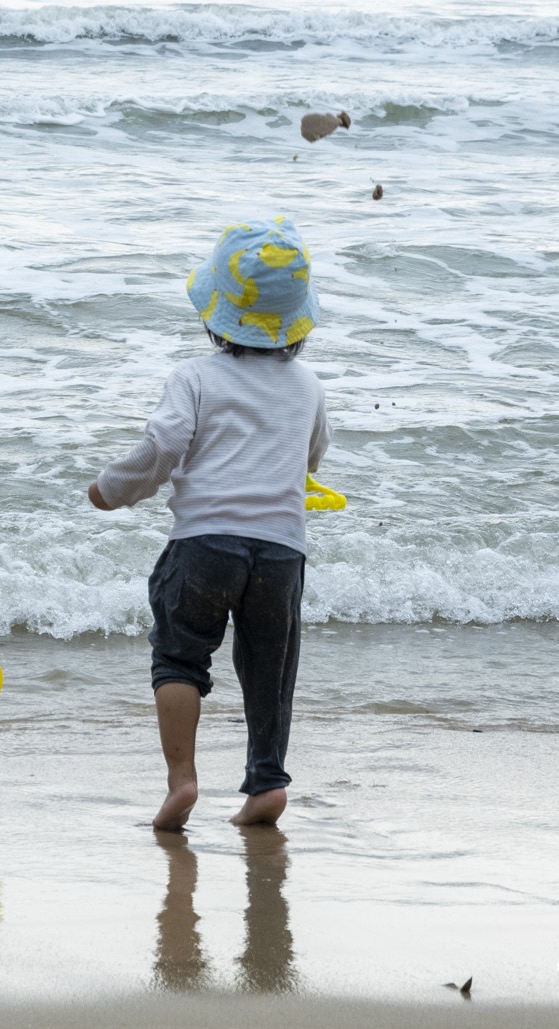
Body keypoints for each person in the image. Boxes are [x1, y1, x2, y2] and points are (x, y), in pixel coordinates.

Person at [87, 218, 331, 830]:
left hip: (203, 546)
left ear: (215, 311)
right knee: (270, 669)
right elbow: (312, 457)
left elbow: (162, 448)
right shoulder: (307, 385)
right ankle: (267, 784)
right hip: (280, 552)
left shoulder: (194, 377)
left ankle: (183, 781)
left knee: (179, 658)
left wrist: (112, 491)